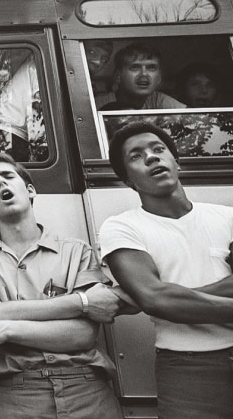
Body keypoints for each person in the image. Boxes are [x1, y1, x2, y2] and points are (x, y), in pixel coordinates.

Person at [0, 153, 123, 419]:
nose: (1, 184)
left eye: (8, 176)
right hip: (16, 395)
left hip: (87, 390)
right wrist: (81, 303)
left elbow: (82, 335)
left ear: (29, 191)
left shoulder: (76, 251)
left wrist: (4, 331)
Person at [99, 122, 233, 419]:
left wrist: (173, 300)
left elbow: (163, 299)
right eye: (136, 156)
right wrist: (162, 302)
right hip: (190, 371)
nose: (151, 157)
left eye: (158, 149)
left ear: (177, 161)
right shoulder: (122, 227)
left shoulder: (227, 217)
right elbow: (155, 298)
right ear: (128, 181)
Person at [97, 42, 185, 111]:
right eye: (135, 67)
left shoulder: (161, 101)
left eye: (151, 68)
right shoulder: (98, 104)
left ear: (159, 78)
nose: (144, 74)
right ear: (117, 76)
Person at [0, 53, 47, 162]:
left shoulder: (30, 65)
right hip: (12, 129)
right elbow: (39, 106)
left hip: (8, 125)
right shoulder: (36, 66)